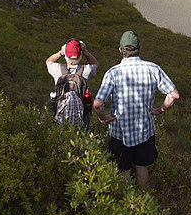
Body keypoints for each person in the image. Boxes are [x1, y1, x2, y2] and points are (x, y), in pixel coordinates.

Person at [93, 30, 179, 188]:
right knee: (141, 166)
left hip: (119, 132)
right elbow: (173, 94)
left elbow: (97, 104)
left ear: (120, 50)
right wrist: (160, 109)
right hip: (145, 131)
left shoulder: (113, 73)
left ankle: (127, 201)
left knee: (123, 168)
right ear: (139, 48)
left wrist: (103, 118)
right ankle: (143, 200)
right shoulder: (153, 69)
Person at [46, 39, 99, 128]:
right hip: (82, 114)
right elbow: (96, 63)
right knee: (81, 138)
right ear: (80, 56)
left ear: (66, 55)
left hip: (61, 113)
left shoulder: (57, 69)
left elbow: (48, 62)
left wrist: (60, 52)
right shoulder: (86, 70)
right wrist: (85, 51)